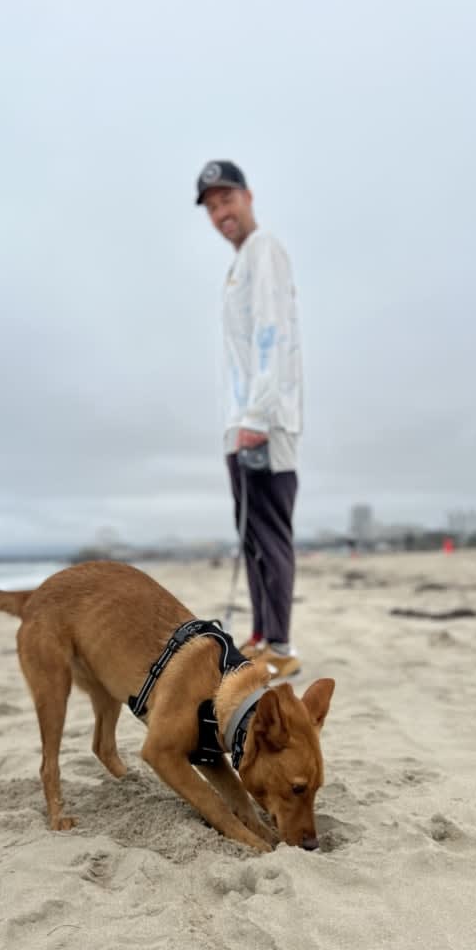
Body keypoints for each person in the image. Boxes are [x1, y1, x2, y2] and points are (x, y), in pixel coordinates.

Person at [195, 160, 303, 679]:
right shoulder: (239, 264)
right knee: (251, 535)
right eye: (212, 207)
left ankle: (279, 644)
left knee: (268, 531)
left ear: (248, 196)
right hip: (241, 421)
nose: (221, 213)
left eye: (226, 200)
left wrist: (258, 413)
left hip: (264, 419)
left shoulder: (265, 251)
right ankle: (263, 636)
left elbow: (272, 332)